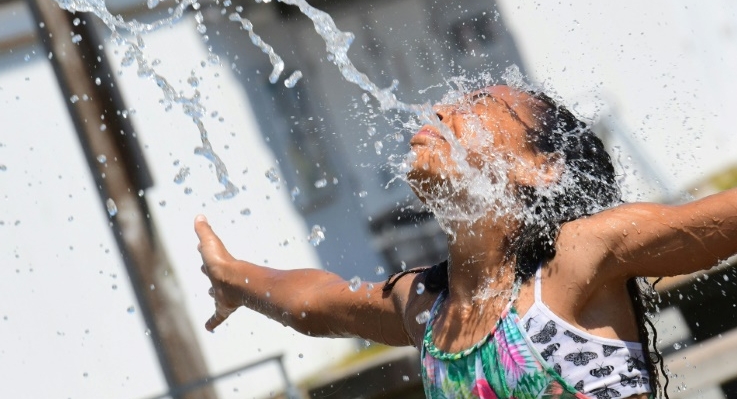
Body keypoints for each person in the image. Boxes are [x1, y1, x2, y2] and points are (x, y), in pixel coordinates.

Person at [195, 85, 737, 399]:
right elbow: (316, 303)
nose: (439, 113)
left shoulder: (574, 260)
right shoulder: (428, 308)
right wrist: (234, 279)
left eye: (479, 102)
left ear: (540, 169)